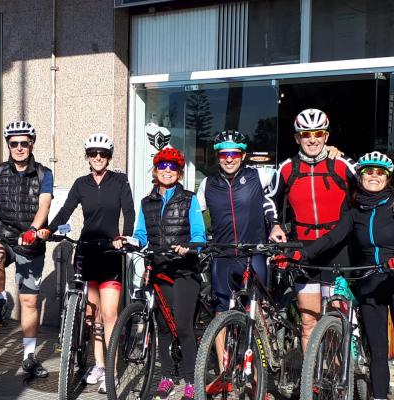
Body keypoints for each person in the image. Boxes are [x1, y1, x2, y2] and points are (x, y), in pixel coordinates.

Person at [283, 151, 394, 400]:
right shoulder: (355, 212)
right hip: (370, 281)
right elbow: (333, 237)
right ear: (361, 176)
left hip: (392, 275)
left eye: (380, 173)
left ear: (387, 178)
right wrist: (304, 254)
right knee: (378, 350)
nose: (373, 177)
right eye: (368, 172)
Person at [42, 133, 135, 394]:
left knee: (109, 315)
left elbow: (129, 212)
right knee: (91, 315)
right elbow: (65, 211)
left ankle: (113, 373)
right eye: (93, 153)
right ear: (87, 156)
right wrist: (48, 229)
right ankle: (99, 365)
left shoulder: (119, 182)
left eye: (102, 154)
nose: (97, 158)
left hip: (110, 253)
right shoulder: (81, 183)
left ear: (108, 157)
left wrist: (123, 236)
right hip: (86, 252)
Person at [267, 108, 355, 351]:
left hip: (337, 249)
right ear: (297, 138)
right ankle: (312, 385)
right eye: (306, 134)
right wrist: (274, 224)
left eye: (318, 133)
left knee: (337, 319)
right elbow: (268, 199)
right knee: (308, 321)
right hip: (303, 250)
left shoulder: (342, 164)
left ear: (326, 136)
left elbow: (370, 190)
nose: (312, 139)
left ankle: (338, 380)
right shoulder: (287, 168)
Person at [133, 147, 206, 400]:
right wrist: (131, 241)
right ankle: (166, 376)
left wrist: (189, 246)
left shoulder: (190, 199)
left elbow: (199, 234)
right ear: (155, 170)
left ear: (179, 172)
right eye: (162, 166)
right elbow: (141, 234)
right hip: (160, 268)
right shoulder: (146, 202)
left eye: (172, 167)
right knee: (163, 327)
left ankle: (191, 379)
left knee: (183, 325)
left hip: (184, 269)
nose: (167, 170)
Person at [0, 120, 53, 378]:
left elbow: (44, 204)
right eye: (14, 144)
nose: (20, 148)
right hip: (3, 233)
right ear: (8, 145)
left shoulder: (44, 173)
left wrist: (33, 230)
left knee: (29, 301)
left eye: (24, 143)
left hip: (30, 241)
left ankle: (29, 356)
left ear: (32, 144)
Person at [197, 131, 276, 313]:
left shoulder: (259, 176)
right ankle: (222, 342)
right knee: (221, 310)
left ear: (243, 156)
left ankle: (260, 340)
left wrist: (275, 224)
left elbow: (290, 178)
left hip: (253, 253)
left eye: (234, 154)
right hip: (223, 255)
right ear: (218, 157)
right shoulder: (207, 184)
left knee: (255, 310)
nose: (229, 159)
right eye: (225, 155)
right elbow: (195, 218)